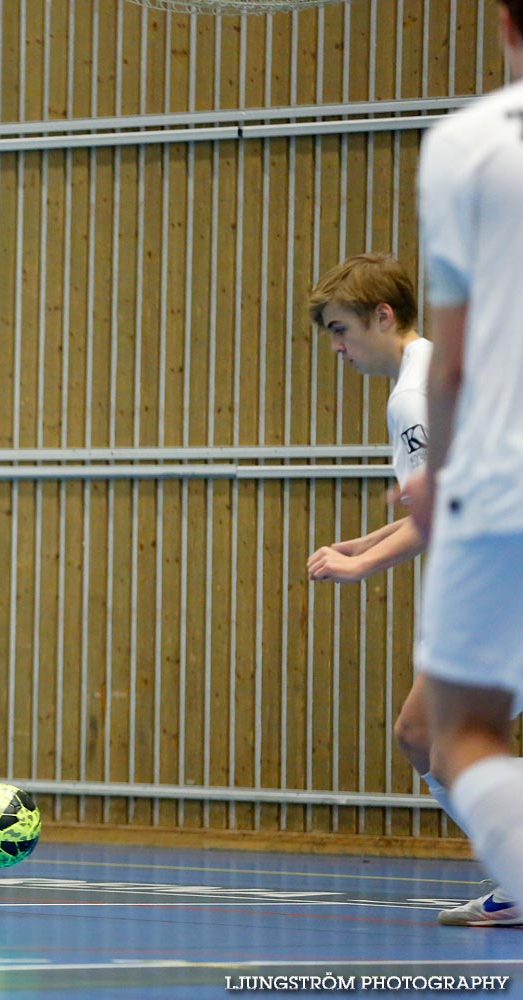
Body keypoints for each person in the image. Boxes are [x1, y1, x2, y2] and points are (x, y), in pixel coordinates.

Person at [303, 254, 509, 924]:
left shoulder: (412, 396)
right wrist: (371, 541)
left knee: (438, 738)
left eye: (341, 329)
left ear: (382, 316)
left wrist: (362, 567)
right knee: (425, 735)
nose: (336, 347)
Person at [406, 0, 523, 929]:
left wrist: (437, 490)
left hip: (502, 481)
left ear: (503, 24)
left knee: (457, 736)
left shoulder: (469, 145)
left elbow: (452, 363)